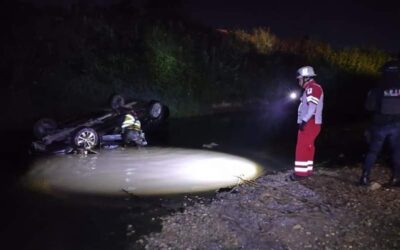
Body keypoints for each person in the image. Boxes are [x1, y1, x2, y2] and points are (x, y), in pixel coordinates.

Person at [359, 60, 400, 186]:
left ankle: (365, 177)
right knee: (397, 151)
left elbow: (369, 107)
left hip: (379, 126)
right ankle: (396, 178)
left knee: (373, 151)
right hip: (397, 125)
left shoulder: (377, 89)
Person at [290, 66, 324, 181]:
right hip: (313, 122)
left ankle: (300, 174)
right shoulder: (313, 88)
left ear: (306, 78)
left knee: (302, 147)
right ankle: (307, 170)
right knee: (309, 147)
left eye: (300, 79)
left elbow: (312, 108)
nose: (298, 81)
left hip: (310, 123)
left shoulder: (312, 88)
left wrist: (304, 121)